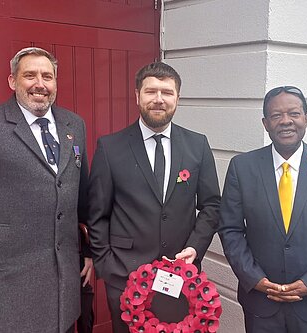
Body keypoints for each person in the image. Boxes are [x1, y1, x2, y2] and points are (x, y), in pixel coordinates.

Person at [0, 47, 92, 333]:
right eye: (30, 75)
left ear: (55, 83)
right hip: (10, 282)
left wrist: (89, 252)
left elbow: (84, 198)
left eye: (47, 76)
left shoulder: (74, 125)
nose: (39, 83)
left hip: (65, 280)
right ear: (12, 81)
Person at [86, 62, 221, 332]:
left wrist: (195, 248)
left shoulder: (198, 145)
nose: (159, 99)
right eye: (151, 92)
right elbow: (97, 215)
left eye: (167, 92)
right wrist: (108, 267)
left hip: (182, 277)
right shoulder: (110, 147)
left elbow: (211, 205)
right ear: (137, 96)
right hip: (125, 278)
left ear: (177, 98)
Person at [218, 86, 307, 333]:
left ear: (306, 118)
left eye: (294, 113)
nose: (286, 121)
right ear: (265, 123)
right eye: (276, 115)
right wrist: (255, 279)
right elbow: (230, 231)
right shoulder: (242, 168)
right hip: (262, 305)